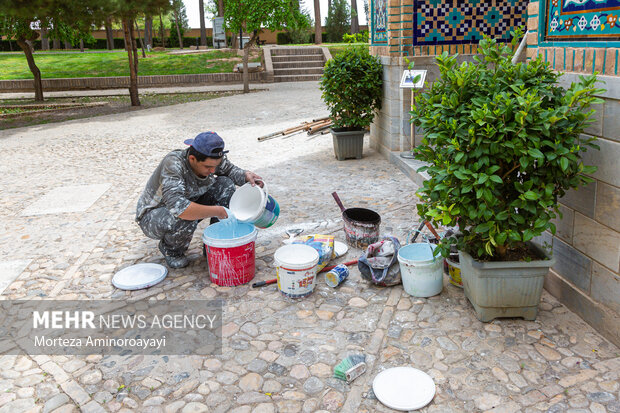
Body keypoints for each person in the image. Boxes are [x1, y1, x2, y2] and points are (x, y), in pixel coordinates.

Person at [136, 131, 263, 268]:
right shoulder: (173, 164)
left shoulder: (211, 159)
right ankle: (172, 250)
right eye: (208, 167)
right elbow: (179, 208)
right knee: (184, 215)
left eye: (216, 165)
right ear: (192, 159)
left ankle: (216, 242)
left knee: (225, 184)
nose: (213, 170)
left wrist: (247, 177)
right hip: (154, 216)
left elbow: (230, 170)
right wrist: (218, 211)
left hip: (191, 200)